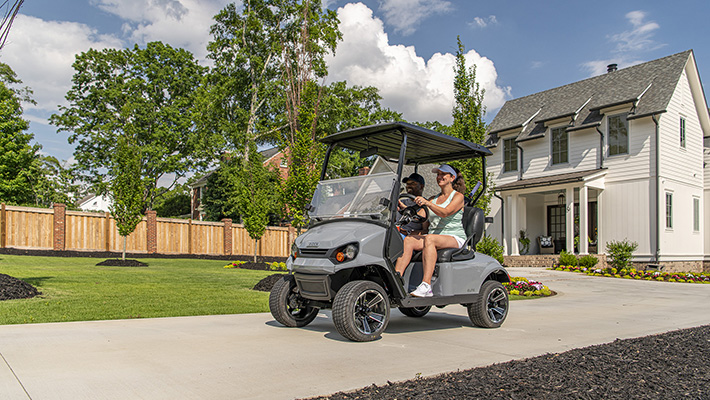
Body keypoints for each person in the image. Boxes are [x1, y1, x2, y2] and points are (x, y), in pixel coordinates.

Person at [394, 164, 466, 297]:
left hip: (454, 237)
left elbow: (445, 212)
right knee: (409, 240)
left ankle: (426, 286)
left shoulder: (458, 197)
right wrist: (404, 209)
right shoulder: (434, 198)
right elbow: (420, 216)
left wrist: (427, 203)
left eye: (443, 174)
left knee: (429, 238)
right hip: (434, 237)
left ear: (452, 178)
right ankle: (396, 279)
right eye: (438, 174)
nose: (439, 177)